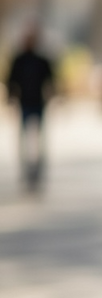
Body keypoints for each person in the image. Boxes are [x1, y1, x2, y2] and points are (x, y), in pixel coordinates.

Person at [5, 22, 55, 190]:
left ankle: (38, 172)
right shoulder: (19, 60)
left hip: (38, 103)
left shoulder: (41, 60)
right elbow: (11, 81)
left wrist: (51, 96)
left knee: (38, 140)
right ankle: (25, 171)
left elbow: (50, 80)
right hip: (24, 103)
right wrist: (10, 99)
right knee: (25, 139)